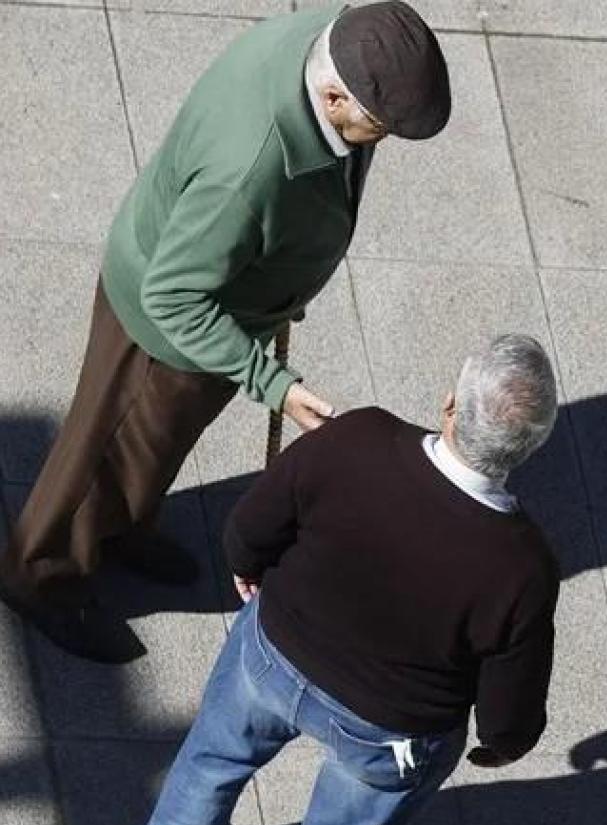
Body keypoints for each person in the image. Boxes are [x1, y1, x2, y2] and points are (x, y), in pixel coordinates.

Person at [0, 1, 452, 662]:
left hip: (223, 299)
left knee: (149, 452)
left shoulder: (328, 43)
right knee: (105, 453)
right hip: (164, 333)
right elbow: (173, 295)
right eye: (377, 127)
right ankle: (41, 572)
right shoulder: (249, 171)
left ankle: (121, 524)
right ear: (332, 96)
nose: (379, 141)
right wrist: (272, 383)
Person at [128, 335, 562, 825]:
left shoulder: (359, 440)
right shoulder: (524, 566)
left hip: (273, 654)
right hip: (390, 729)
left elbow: (249, 530)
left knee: (210, 763)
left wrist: (249, 566)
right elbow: (508, 703)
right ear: (531, 447)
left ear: (449, 404)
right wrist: (502, 744)